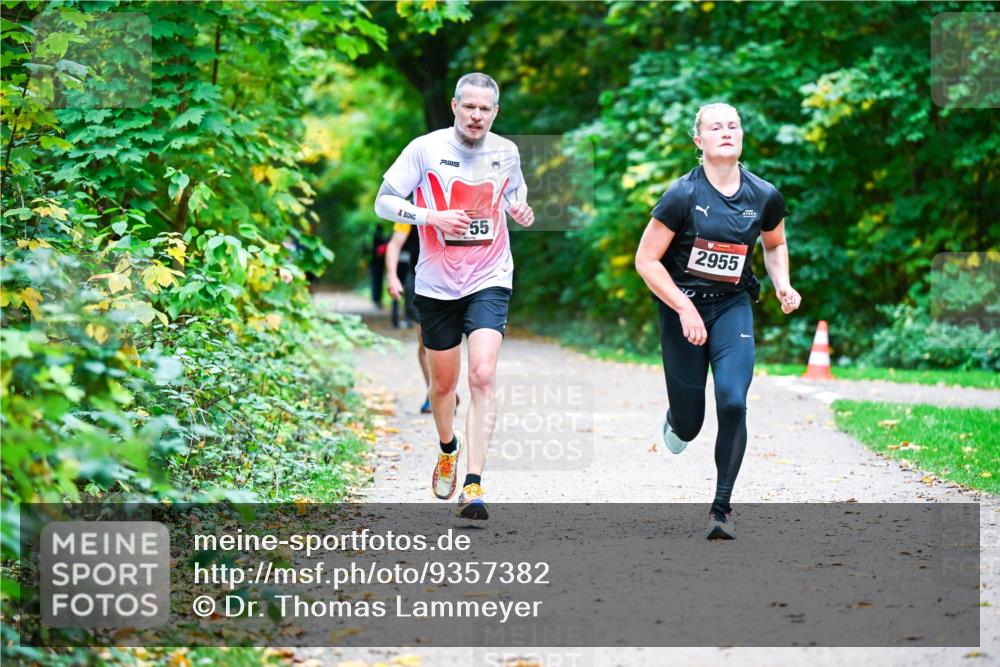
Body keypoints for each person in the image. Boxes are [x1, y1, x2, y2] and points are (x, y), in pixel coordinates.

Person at [634, 102, 801, 540]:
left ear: (741, 137)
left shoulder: (763, 195)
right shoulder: (681, 196)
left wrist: (781, 283)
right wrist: (684, 308)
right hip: (681, 308)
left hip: (731, 306)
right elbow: (646, 261)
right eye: (715, 127)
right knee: (691, 422)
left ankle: (721, 509)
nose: (726, 132)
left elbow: (775, 243)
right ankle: (677, 420)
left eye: (733, 126)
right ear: (699, 140)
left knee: (733, 401)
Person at [374, 72, 534, 520]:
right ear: (455, 106)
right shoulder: (425, 148)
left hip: (490, 275)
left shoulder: (507, 151)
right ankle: (448, 448)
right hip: (436, 283)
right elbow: (384, 202)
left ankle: (474, 483)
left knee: (482, 375)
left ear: (495, 112)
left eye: (485, 109)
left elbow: (517, 195)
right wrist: (431, 217)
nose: (477, 115)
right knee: (443, 385)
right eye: (470, 107)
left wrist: (522, 208)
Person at [385, 222, 433, 413]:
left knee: (449, 339)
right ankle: (434, 392)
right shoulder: (411, 207)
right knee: (425, 340)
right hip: (420, 279)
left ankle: (444, 387)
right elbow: (394, 244)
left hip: (455, 280)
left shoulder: (459, 198)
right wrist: (391, 276)